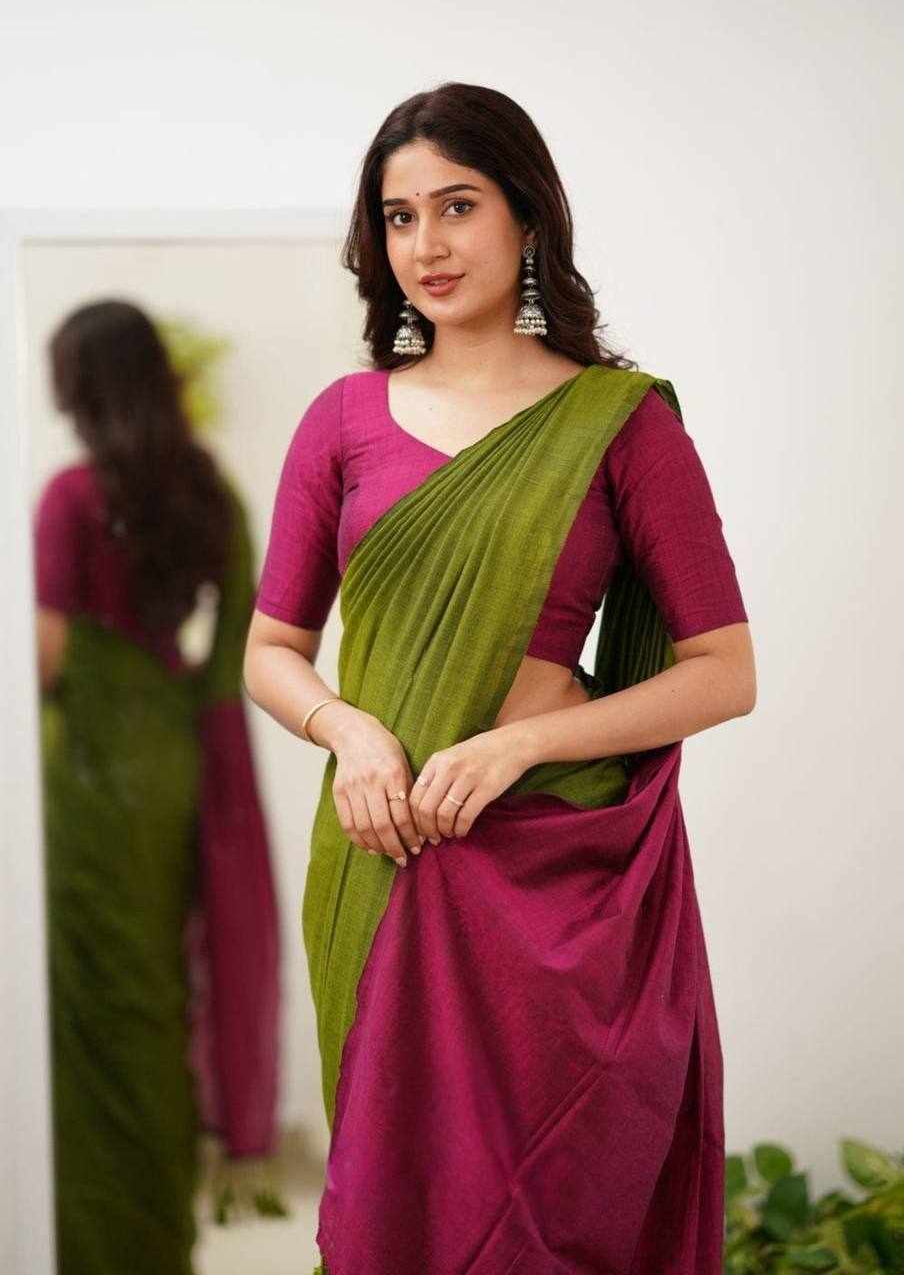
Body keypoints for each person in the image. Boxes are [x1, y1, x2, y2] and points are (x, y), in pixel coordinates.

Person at [244, 82, 756, 1275]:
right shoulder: (342, 421)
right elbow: (270, 649)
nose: (425, 243)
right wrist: (350, 731)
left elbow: (724, 671)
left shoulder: (618, 422)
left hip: (558, 890)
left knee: (560, 1215)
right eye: (399, 215)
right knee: (398, 1214)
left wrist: (520, 742)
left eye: (457, 205)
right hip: (387, 865)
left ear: (527, 215)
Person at [33, 299, 280, 1275]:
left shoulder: (71, 498)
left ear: (81, 388)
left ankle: (96, 1244)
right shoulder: (212, 495)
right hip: (178, 765)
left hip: (88, 777)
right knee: (158, 995)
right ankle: (158, 1239)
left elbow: (45, 655)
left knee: (91, 1010)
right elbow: (242, 652)